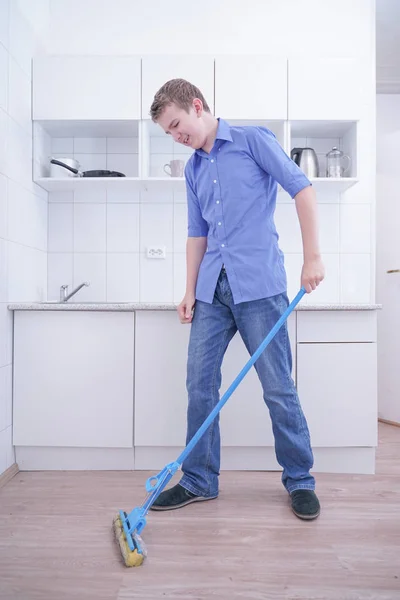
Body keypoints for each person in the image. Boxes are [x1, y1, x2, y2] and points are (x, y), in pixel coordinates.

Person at [148, 79, 325, 520]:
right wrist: (189, 290)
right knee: (199, 384)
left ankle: (300, 480)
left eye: (176, 125)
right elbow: (197, 234)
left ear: (196, 105)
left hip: (259, 287)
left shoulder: (252, 140)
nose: (176, 136)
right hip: (212, 292)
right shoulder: (191, 170)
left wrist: (313, 258)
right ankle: (199, 480)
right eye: (168, 133)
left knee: (278, 388)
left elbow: (302, 189)